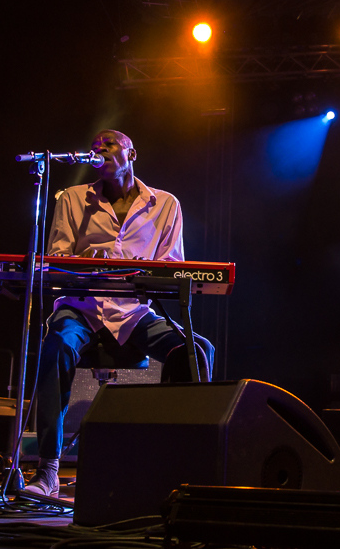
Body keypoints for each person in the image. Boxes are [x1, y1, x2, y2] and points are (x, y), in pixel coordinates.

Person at [25, 129, 215, 498]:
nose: (100, 150)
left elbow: (172, 269)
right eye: (95, 146)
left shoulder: (165, 204)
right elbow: (56, 260)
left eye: (109, 144)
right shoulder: (72, 199)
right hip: (81, 305)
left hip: (132, 310)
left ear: (132, 154)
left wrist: (141, 271)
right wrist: (84, 264)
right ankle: (47, 468)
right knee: (57, 345)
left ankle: (173, 461)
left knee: (195, 351)